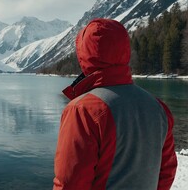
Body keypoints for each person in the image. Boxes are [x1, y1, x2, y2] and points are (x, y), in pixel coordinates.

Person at [53, 18, 177, 190]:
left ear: (84, 53)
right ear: (125, 49)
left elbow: (70, 184)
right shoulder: (158, 107)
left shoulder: (83, 110)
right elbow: (167, 172)